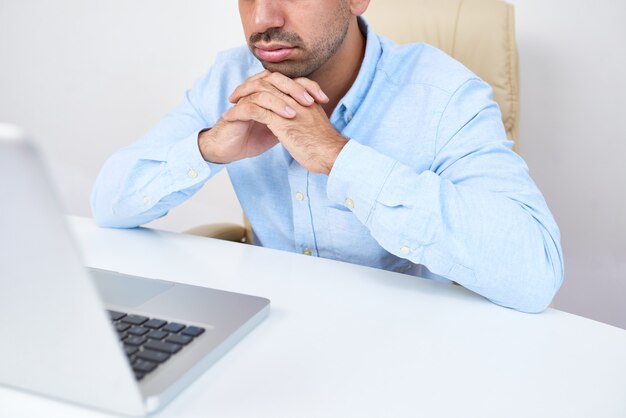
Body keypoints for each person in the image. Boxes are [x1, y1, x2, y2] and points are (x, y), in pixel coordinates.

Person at [92, 0, 564, 313]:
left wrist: (339, 158)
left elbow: (536, 271)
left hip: (403, 350)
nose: (260, 21)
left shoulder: (443, 94)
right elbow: (109, 204)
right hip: (267, 337)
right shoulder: (231, 77)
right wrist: (208, 148)